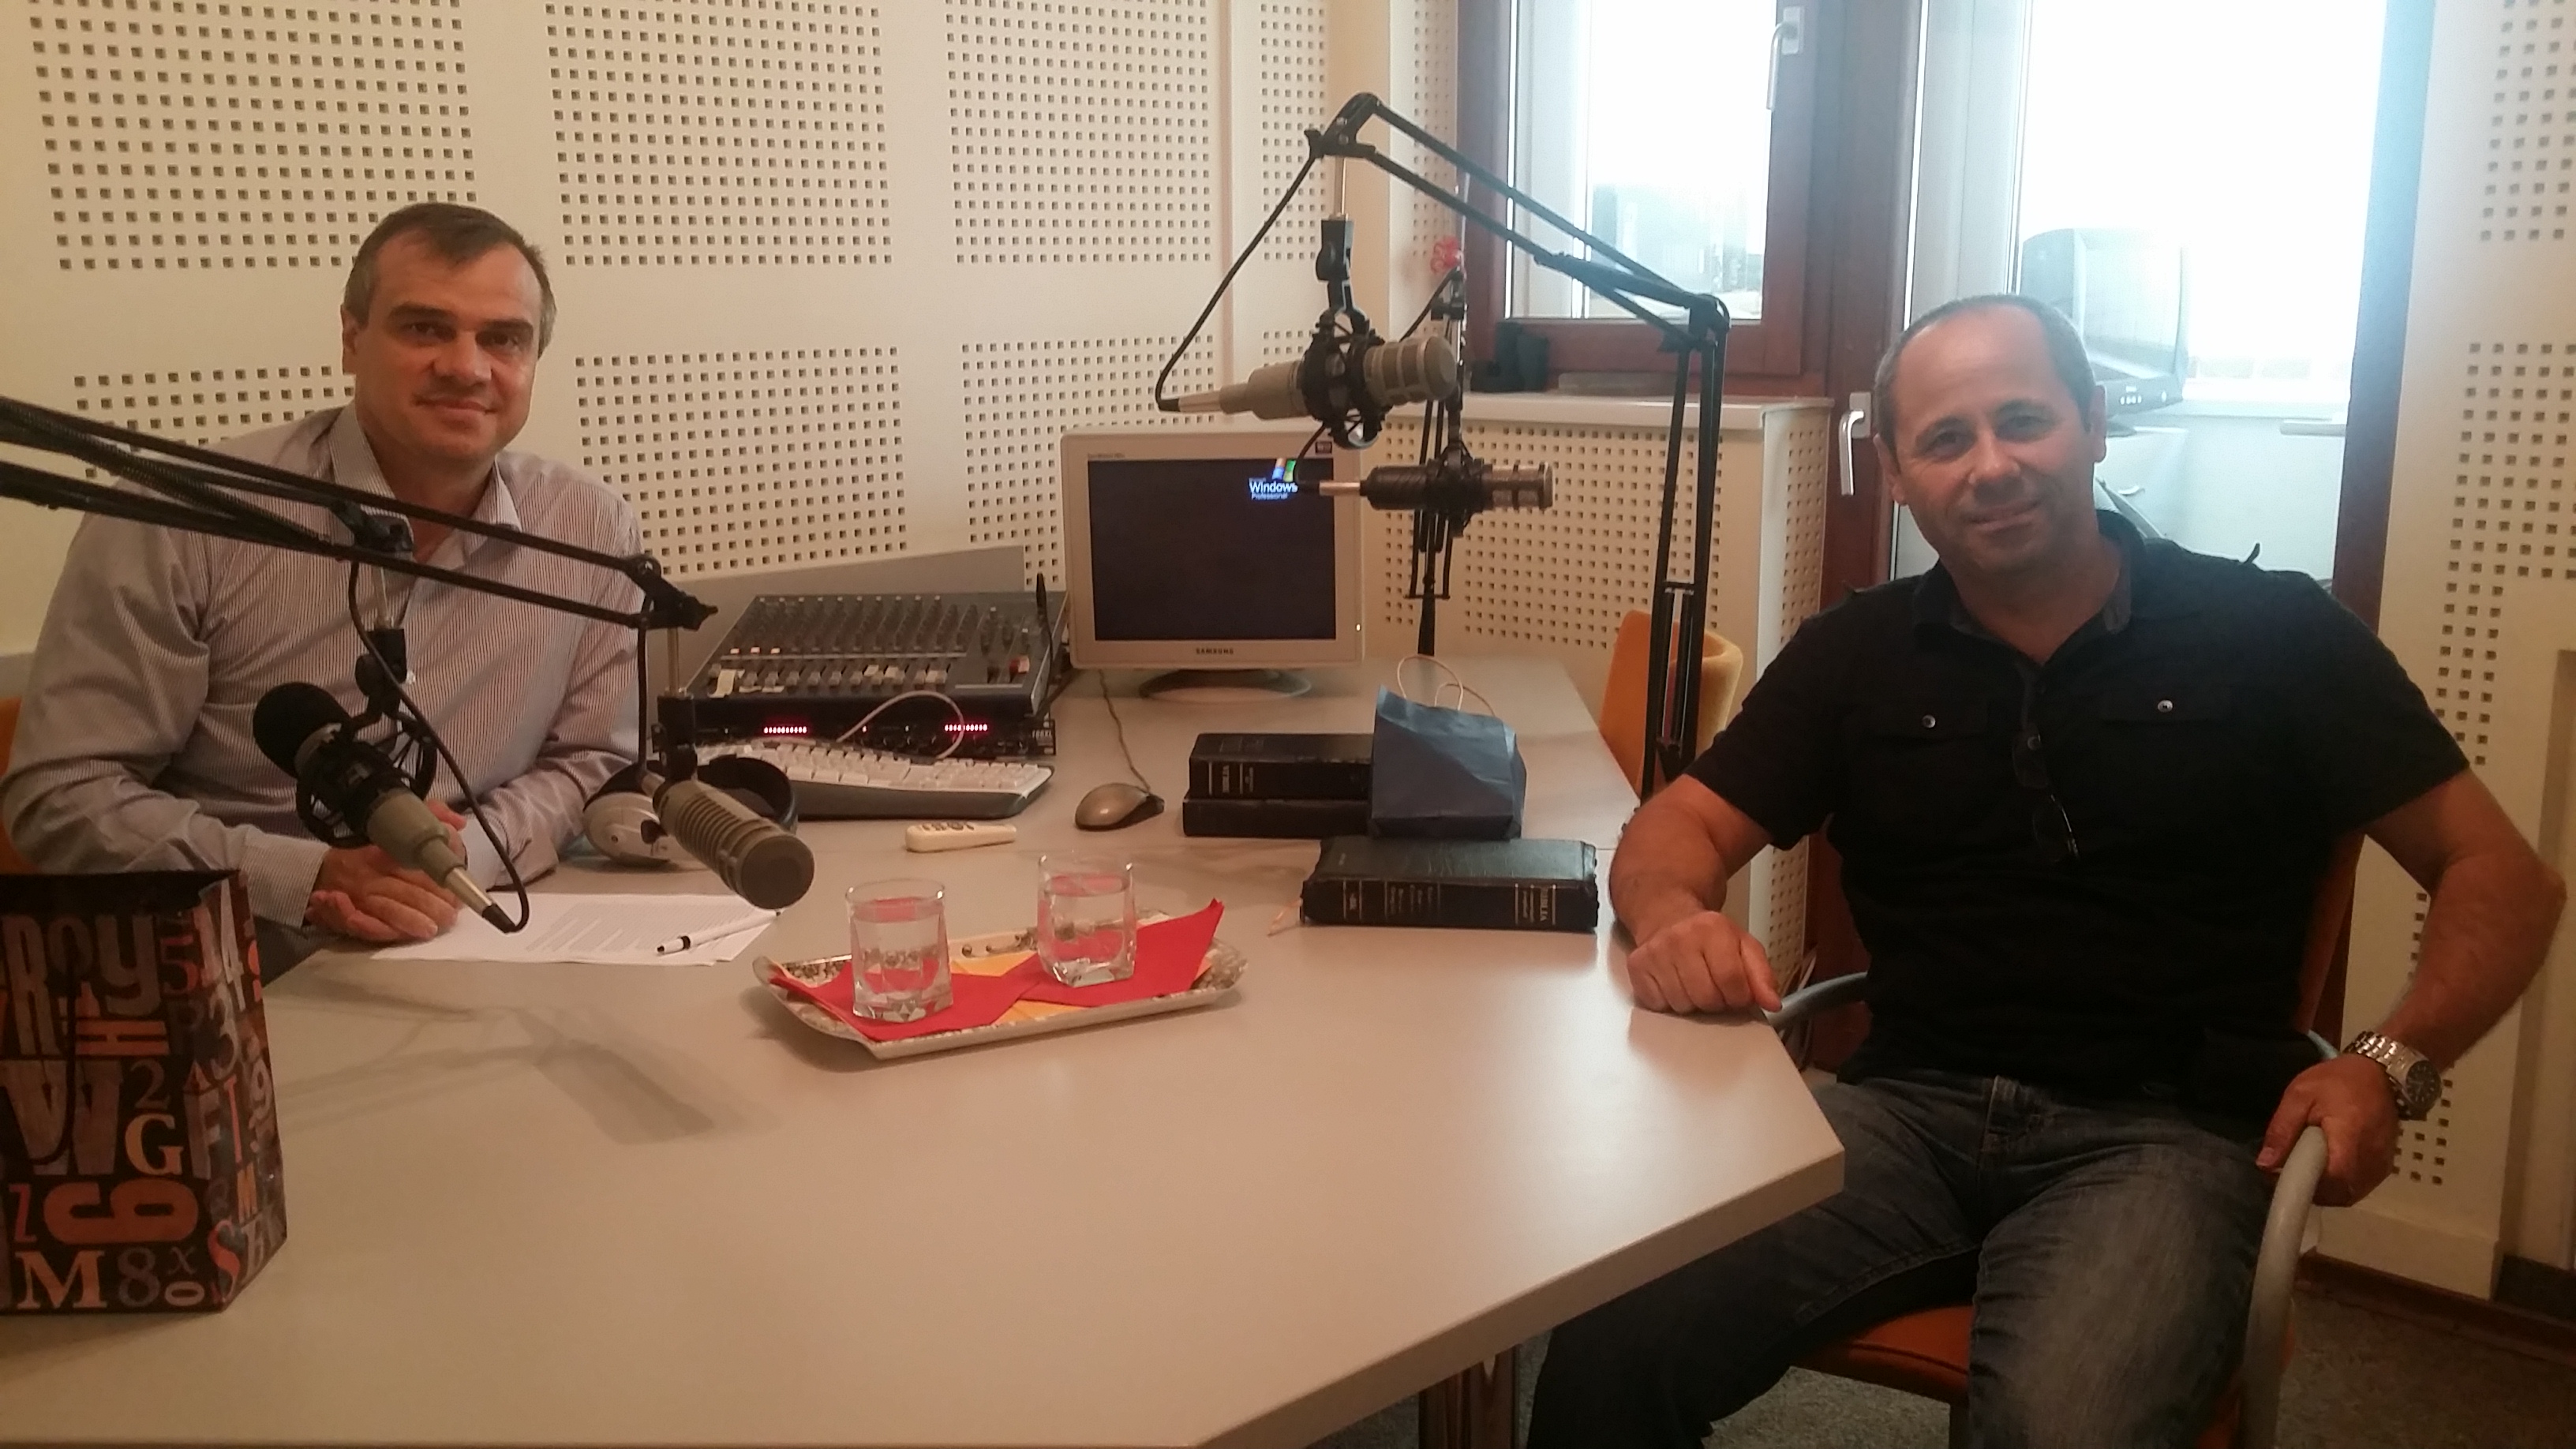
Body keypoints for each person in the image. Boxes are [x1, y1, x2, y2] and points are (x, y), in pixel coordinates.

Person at [1528, 295, 2565, 1449]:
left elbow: (2500, 875)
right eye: (1946, 440)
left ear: (2096, 424)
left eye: (2023, 420)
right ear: (1898, 476)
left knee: (2061, 1426)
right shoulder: (1856, 651)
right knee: (1611, 1331)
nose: (1992, 466)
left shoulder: (2275, 634)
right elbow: (1677, 827)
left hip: (2171, 1139)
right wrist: (1674, 914)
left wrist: (2387, 1065)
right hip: (1904, 1111)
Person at [2, 203, 642, 953]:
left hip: (477, 931)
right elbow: (63, 795)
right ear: (351, 338)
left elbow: (591, 758)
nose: (467, 368)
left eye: (503, 338)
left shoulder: (590, 528)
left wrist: (460, 859)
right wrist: (308, 878)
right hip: (248, 962)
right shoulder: (178, 520)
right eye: (425, 328)